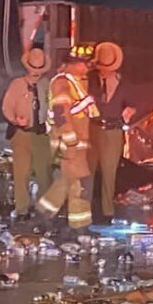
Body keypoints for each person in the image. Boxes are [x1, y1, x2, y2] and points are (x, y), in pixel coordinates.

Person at [34, 49, 99, 233]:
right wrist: (70, 141)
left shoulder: (73, 83)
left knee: (67, 180)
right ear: (74, 63)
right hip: (70, 143)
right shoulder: (63, 83)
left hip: (76, 143)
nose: (87, 68)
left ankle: (44, 213)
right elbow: (60, 114)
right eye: (85, 64)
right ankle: (80, 226)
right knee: (80, 183)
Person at [2, 48, 56, 217]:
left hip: (41, 134)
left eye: (38, 70)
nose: (35, 73)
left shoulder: (46, 84)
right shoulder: (17, 84)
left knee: (44, 173)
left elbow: (53, 106)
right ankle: (22, 210)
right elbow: (6, 106)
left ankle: (44, 208)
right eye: (33, 69)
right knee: (21, 173)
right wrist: (15, 119)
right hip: (22, 134)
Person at [86, 41, 135, 223]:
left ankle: (107, 212)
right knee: (88, 171)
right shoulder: (89, 79)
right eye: (101, 66)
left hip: (112, 130)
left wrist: (129, 110)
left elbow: (132, 103)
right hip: (92, 128)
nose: (103, 70)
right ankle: (85, 209)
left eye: (107, 67)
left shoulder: (123, 83)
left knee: (109, 172)